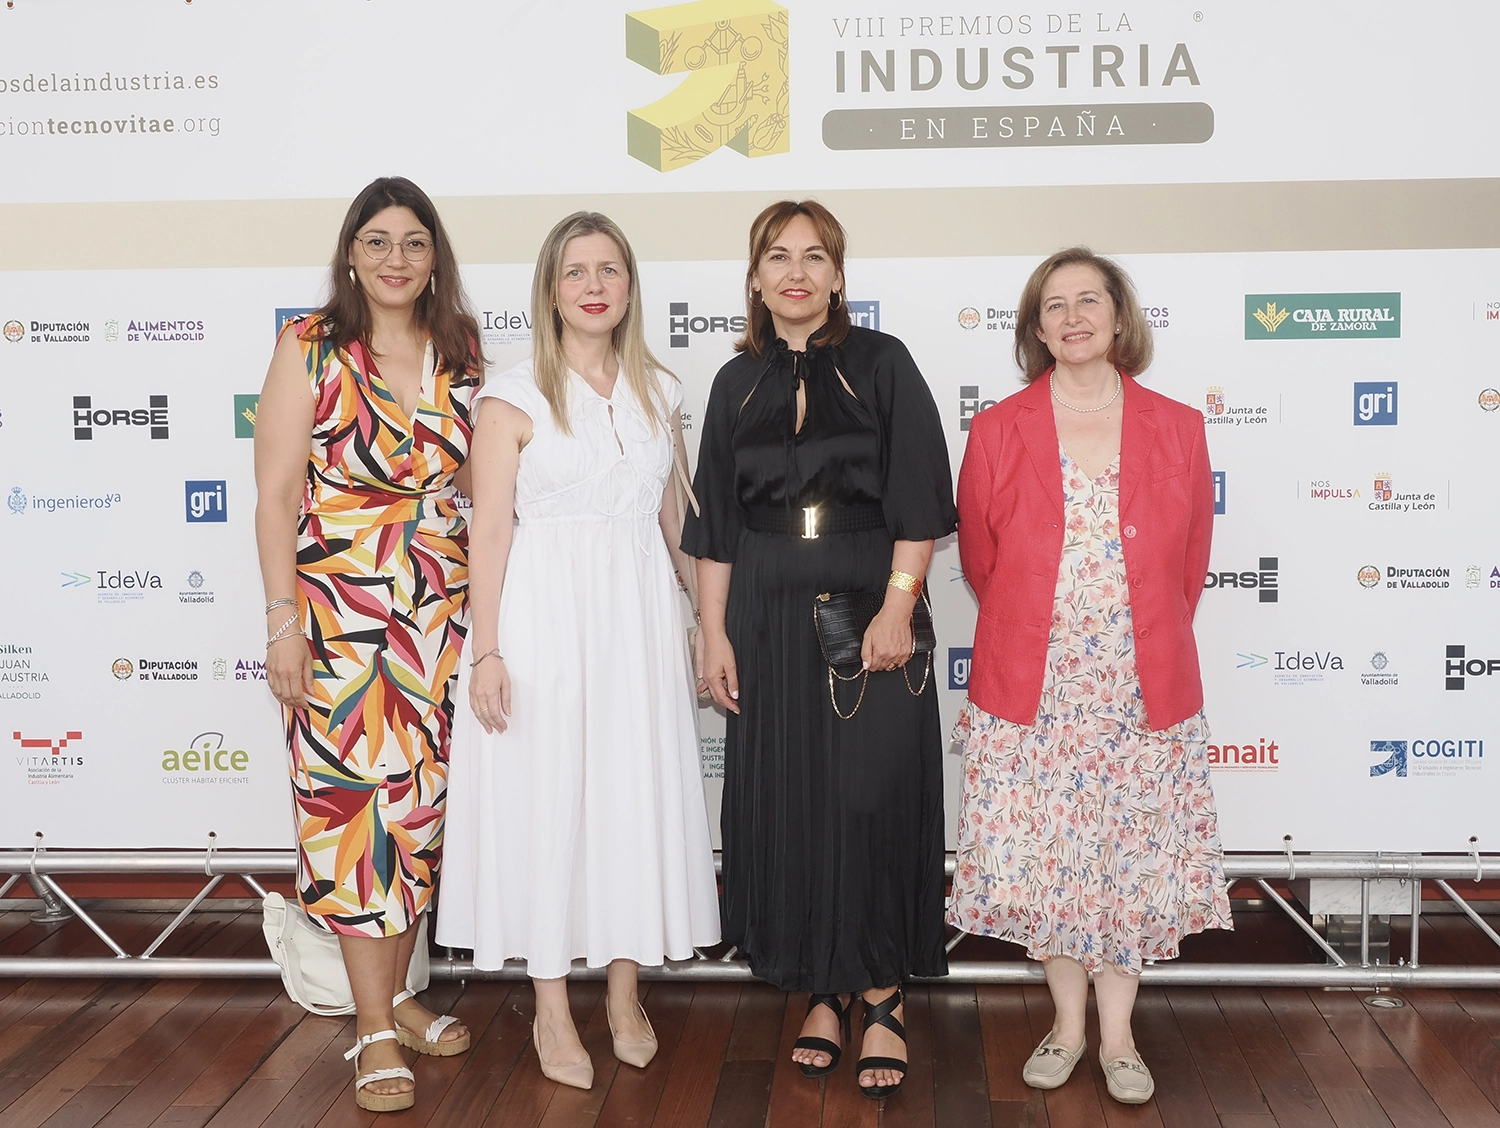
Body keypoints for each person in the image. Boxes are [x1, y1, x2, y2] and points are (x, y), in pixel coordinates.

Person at [437, 212, 720, 1091]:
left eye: (609, 270)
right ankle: (553, 1006)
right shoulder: (511, 397)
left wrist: (706, 622)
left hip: (634, 622)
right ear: (550, 291)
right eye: (575, 272)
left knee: (628, 798)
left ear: (630, 287)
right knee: (550, 802)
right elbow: (488, 532)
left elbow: (678, 521)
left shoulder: (660, 391)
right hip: (543, 623)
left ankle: (625, 991)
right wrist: (487, 653)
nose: (593, 285)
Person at [683, 200, 954, 1100]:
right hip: (760, 606)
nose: (795, 271)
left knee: (870, 798)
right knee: (795, 800)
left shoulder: (884, 364)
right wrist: (711, 628)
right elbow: (713, 523)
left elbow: (919, 497)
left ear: (839, 276)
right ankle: (823, 989)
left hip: (868, 598)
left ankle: (883, 995)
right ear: (756, 277)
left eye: (814, 256)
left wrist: (898, 606)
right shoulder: (734, 384)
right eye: (776, 256)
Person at [950, 247, 1233, 1105]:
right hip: (1034, 688)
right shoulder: (999, 428)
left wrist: (1128, 635)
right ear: (1036, 329)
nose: (1074, 318)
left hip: (1139, 685)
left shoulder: (1178, 425)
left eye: (1090, 301)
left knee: (1128, 862)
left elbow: (1190, 565)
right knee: (1049, 863)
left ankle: (1118, 1038)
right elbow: (979, 559)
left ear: (1119, 316)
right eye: (1055, 305)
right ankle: (1067, 1025)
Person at [254, 177, 481, 1113]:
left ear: (436, 258)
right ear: (351, 251)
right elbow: (273, 495)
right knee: (353, 819)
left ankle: (397, 994)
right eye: (378, 241)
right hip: (339, 622)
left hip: (437, 621)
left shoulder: (460, 351)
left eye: (415, 243)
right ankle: (375, 1028)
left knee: (419, 817)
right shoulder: (309, 346)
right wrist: (281, 624)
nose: (396, 259)